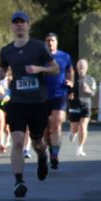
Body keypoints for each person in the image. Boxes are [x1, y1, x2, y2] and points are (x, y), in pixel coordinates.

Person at [0, 11, 59, 198]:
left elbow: (55, 68)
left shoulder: (39, 47)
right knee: (17, 142)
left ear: (28, 25)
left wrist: (39, 68)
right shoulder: (6, 50)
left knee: (38, 142)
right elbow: (2, 68)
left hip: (38, 102)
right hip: (17, 102)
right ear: (12, 27)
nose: (19, 26)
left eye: (22, 22)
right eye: (15, 23)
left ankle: (42, 156)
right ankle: (19, 181)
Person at [42, 33, 73, 169]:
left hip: (59, 93)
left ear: (57, 42)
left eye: (52, 40)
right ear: (45, 43)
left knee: (56, 124)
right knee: (46, 130)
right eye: (48, 41)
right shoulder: (40, 56)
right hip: (42, 96)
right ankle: (51, 148)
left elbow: (70, 70)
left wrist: (70, 81)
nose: (50, 43)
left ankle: (54, 155)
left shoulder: (64, 56)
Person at [68, 58, 96, 156]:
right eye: (80, 67)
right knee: (75, 128)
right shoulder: (72, 78)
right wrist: (69, 94)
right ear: (77, 67)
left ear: (86, 68)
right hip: (74, 105)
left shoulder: (91, 79)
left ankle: (80, 148)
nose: (81, 69)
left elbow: (93, 93)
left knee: (83, 127)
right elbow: (66, 90)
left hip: (86, 105)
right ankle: (72, 133)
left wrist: (88, 90)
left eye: (83, 67)